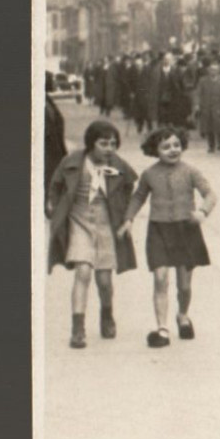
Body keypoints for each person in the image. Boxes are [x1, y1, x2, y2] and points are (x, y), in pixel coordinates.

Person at [47, 119, 139, 349]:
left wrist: (125, 216)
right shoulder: (72, 162)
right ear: (91, 143)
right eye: (104, 143)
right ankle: (77, 329)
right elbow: (56, 185)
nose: (109, 148)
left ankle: (107, 314)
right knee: (83, 272)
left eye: (113, 144)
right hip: (79, 222)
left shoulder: (117, 164)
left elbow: (130, 186)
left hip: (106, 224)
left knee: (104, 280)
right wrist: (53, 206)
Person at [123, 125, 217, 348]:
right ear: (155, 150)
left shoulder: (190, 171)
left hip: (186, 230)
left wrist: (202, 212)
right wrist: (128, 219)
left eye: (176, 145)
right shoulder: (149, 174)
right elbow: (138, 197)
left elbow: (210, 194)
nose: (172, 150)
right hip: (159, 230)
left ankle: (182, 315)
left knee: (184, 285)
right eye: (166, 147)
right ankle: (162, 329)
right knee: (160, 278)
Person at [195, 56, 220, 152]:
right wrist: (197, 104)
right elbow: (198, 93)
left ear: (218, 71)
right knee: (209, 127)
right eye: (211, 70)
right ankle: (211, 145)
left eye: (215, 70)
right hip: (206, 107)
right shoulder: (203, 80)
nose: (212, 71)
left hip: (219, 107)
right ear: (208, 71)